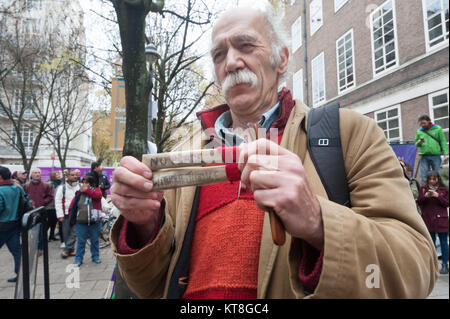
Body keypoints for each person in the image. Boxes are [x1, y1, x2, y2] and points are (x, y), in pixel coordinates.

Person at [110, 7, 438, 299]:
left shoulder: (350, 134)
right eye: (219, 54)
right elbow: (151, 287)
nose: (232, 61)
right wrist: (144, 227)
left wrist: (318, 222)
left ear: (281, 58)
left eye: (245, 45)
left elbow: (415, 269)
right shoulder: (182, 157)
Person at [416, 171, 449, 275]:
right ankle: (432, 265)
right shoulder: (423, 188)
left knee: (444, 243)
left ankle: (444, 265)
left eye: (434, 179)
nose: (432, 181)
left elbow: (447, 203)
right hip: (428, 220)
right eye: (430, 179)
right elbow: (419, 202)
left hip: (441, 220)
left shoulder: (444, 189)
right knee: (431, 243)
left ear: (438, 179)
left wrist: (437, 195)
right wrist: (425, 196)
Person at [69, 174, 103, 267]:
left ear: (91, 183)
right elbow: (73, 205)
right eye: (83, 182)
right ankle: (78, 259)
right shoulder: (79, 193)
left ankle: (95, 257)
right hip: (81, 222)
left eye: (86, 182)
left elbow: (98, 196)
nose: (84, 184)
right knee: (81, 242)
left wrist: (87, 190)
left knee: (95, 241)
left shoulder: (96, 190)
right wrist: (71, 217)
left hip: (94, 221)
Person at [0, 166, 26, 283]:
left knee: (16, 251)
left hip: (2, 225)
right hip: (14, 224)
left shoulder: (0, 190)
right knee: (16, 251)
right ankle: (20, 274)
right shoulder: (17, 188)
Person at [415, 115, 449, 185]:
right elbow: (416, 143)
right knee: (424, 176)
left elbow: (443, 141)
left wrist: (446, 154)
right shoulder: (419, 131)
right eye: (421, 124)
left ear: (429, 121)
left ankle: (440, 192)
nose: (422, 125)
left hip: (435, 156)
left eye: (424, 123)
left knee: (438, 175)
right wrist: (418, 142)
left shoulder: (438, 129)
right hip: (424, 156)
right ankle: (424, 192)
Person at [55, 169, 80, 258]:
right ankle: (71, 249)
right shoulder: (62, 188)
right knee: (66, 233)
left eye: (75, 175)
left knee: (74, 232)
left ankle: (66, 250)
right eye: (72, 175)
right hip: (65, 214)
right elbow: (57, 202)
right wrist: (60, 215)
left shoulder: (80, 187)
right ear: (67, 177)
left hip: (77, 214)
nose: (75, 176)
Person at [46, 170, 62, 241]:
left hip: (57, 205)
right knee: (49, 222)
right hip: (50, 206)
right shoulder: (50, 184)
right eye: (57, 174)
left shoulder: (60, 183)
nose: (59, 176)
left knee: (54, 222)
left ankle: (51, 236)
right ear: (53, 176)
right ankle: (43, 236)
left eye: (59, 174)